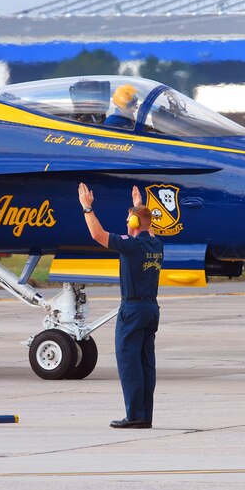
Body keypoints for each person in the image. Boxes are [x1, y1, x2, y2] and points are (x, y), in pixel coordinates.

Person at [78, 182, 163, 429]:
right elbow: (147, 225)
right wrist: (138, 206)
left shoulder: (131, 245)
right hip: (151, 309)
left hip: (133, 310)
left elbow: (97, 235)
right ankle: (144, 415)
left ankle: (134, 416)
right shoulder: (155, 245)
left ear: (135, 224)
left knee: (129, 363)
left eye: (129, 220)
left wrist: (86, 208)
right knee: (147, 363)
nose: (126, 222)